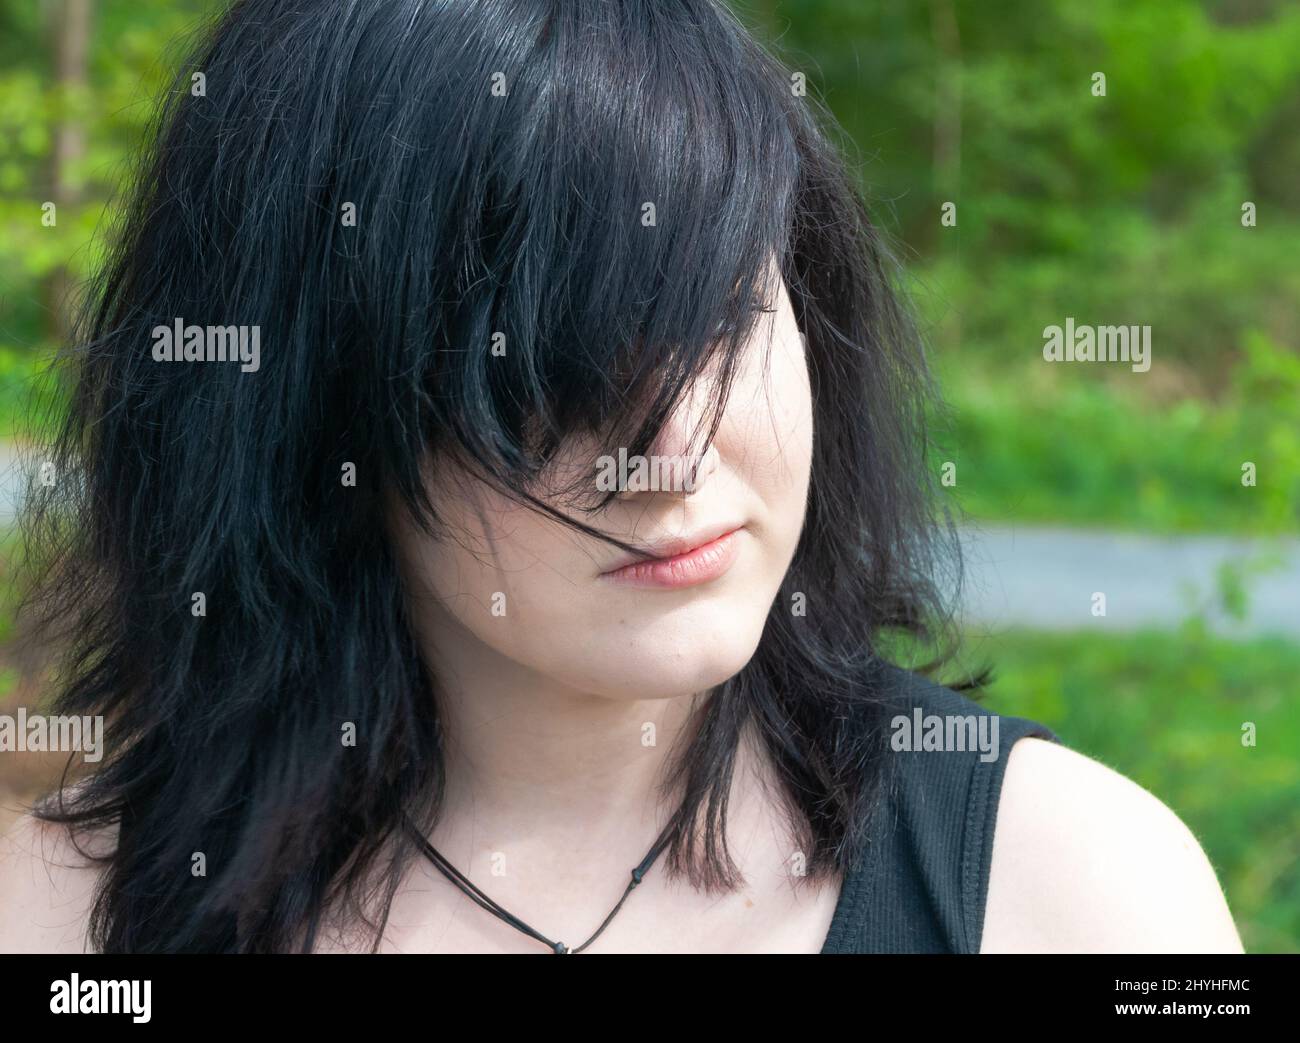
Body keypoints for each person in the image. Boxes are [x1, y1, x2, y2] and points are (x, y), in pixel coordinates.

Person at [0, 0, 1241, 954]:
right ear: (313, 414)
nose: (678, 450)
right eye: (552, 371)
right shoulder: (64, 917)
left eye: (722, 315)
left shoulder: (1075, 891)